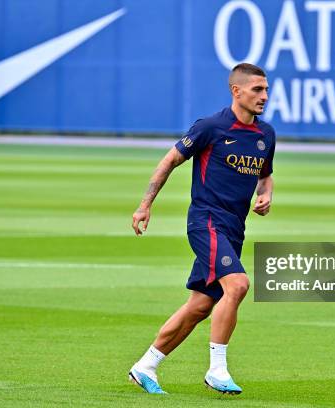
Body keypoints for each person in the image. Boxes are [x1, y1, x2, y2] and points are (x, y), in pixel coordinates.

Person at [129, 63, 275, 395]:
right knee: (237, 285)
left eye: (266, 89)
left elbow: (265, 175)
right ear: (236, 91)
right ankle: (217, 370)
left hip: (233, 230)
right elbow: (169, 160)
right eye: (257, 89)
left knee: (200, 306)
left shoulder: (266, 135)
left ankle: (145, 366)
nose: (264, 96)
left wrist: (266, 195)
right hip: (206, 222)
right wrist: (145, 204)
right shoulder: (210, 127)